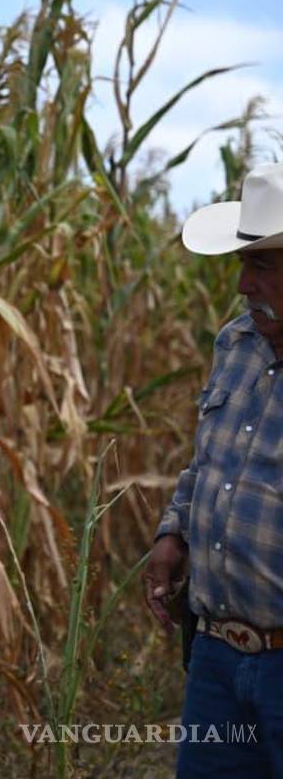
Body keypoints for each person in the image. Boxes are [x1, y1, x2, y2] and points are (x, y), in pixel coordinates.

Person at [144, 162, 283, 778]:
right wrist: (174, 531)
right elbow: (211, 460)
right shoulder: (236, 344)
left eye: (263, 266)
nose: (243, 285)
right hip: (217, 656)